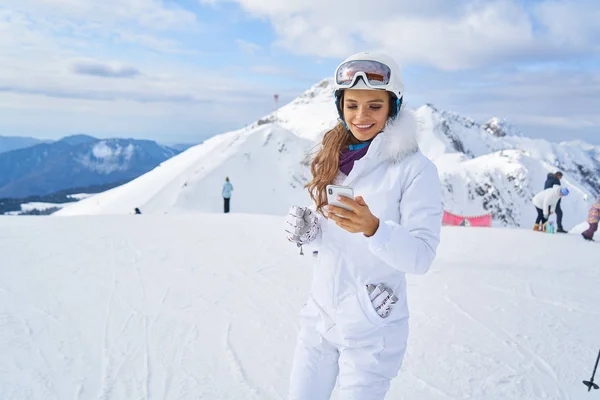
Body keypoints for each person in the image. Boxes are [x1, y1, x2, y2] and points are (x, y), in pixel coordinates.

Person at [284, 52, 443, 400]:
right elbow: (330, 243)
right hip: (320, 318)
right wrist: (310, 235)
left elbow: (422, 257)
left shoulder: (415, 169)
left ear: (393, 107)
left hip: (372, 325)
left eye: (374, 105)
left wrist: (375, 229)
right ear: (340, 106)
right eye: (352, 105)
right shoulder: (333, 157)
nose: (361, 116)